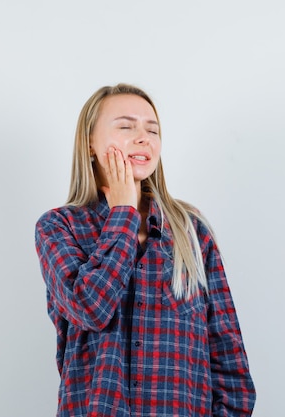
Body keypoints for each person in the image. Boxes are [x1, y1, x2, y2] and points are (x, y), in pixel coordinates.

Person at [35, 83, 256, 416]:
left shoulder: (191, 230)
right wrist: (123, 212)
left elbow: (230, 364)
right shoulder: (58, 227)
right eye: (126, 126)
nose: (143, 137)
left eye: (152, 130)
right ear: (90, 144)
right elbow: (91, 308)